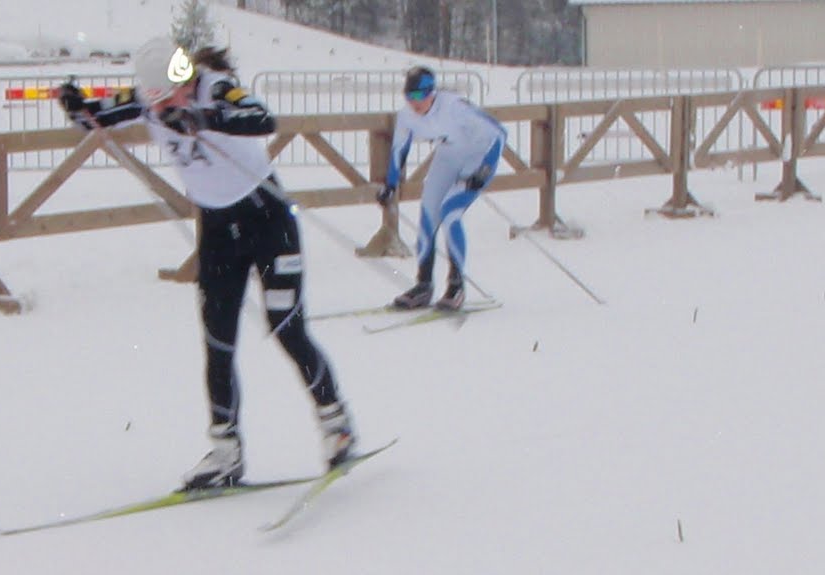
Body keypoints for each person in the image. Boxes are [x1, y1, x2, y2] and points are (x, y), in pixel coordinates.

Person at [55, 37, 357, 490]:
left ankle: (336, 425)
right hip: (218, 232)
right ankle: (225, 452)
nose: (164, 109)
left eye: (171, 99)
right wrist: (75, 104)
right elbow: (96, 115)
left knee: (286, 328)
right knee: (218, 341)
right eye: (157, 103)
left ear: (186, 80)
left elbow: (261, 118)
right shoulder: (147, 99)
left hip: (269, 222)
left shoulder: (216, 89)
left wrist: (202, 118)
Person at [377, 66, 507, 311]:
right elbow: (399, 149)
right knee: (428, 215)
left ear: (432, 93)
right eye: (409, 96)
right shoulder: (406, 116)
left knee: (450, 213)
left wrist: (484, 170)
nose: (415, 103)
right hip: (447, 156)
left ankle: (456, 286)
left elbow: (498, 133)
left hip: (477, 157)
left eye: (420, 96)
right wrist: (390, 184)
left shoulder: (454, 107)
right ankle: (423, 285)